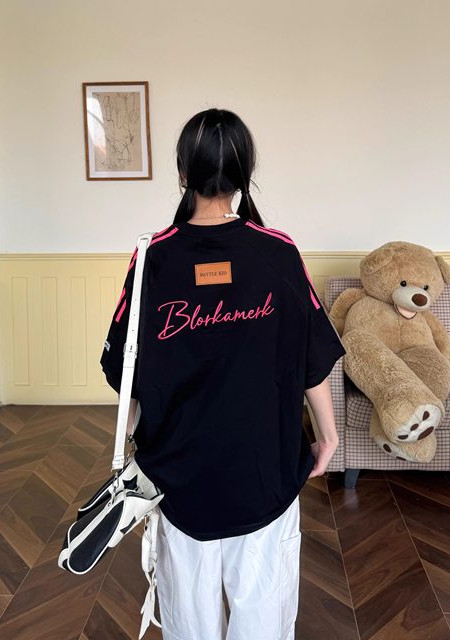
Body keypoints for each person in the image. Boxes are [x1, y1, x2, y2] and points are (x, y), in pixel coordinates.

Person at [100, 108, 346, 640]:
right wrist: (327, 435)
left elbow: (125, 373)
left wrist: (137, 447)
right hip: (266, 474)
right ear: (244, 173)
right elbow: (311, 357)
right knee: (265, 619)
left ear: (182, 173)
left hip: (179, 481)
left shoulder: (152, 259)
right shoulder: (279, 253)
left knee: (189, 623)